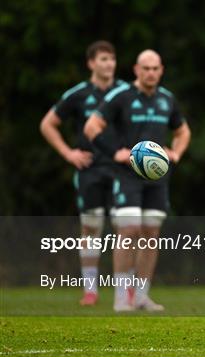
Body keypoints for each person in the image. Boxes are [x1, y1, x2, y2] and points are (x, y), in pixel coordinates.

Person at [84, 49, 191, 312]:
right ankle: (122, 297)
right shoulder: (120, 96)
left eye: (155, 68)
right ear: (136, 69)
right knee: (129, 231)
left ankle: (141, 296)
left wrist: (175, 152)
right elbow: (91, 127)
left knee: (151, 234)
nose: (151, 73)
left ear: (161, 70)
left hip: (156, 178)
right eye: (146, 68)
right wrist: (114, 152)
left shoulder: (167, 100)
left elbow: (183, 130)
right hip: (126, 176)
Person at [40, 40, 125, 306]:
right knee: (91, 227)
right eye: (103, 59)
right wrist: (68, 153)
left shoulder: (125, 92)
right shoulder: (79, 94)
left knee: (126, 229)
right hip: (89, 169)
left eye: (111, 59)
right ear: (91, 63)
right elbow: (48, 124)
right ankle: (91, 289)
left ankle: (127, 290)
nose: (108, 64)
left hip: (121, 170)